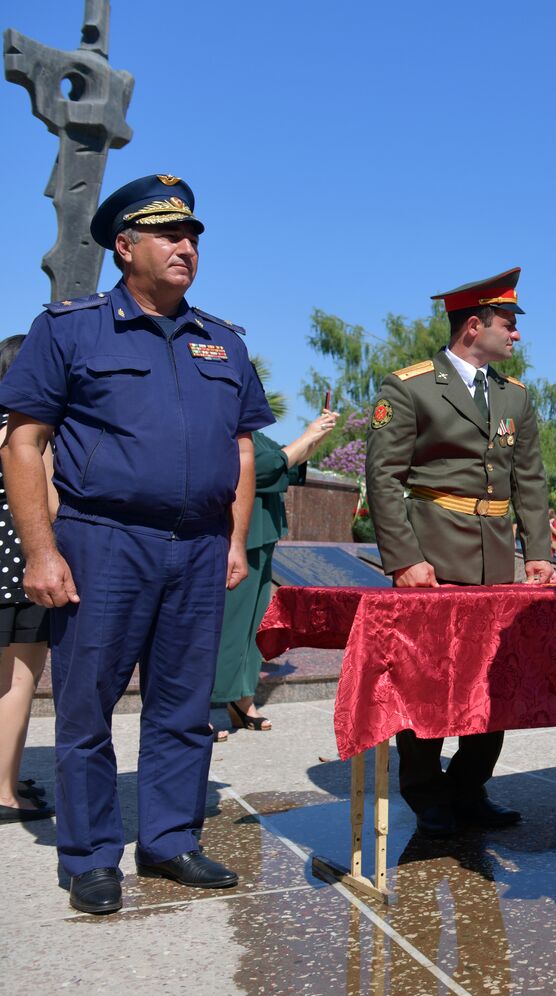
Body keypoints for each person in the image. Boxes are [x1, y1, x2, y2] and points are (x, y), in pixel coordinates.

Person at [0, 174, 274, 914]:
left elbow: (243, 450)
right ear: (125, 248)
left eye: (192, 237)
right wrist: (41, 549)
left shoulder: (224, 341)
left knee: (185, 707)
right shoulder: (70, 328)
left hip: (198, 546)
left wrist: (236, 540)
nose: (186, 247)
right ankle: (90, 855)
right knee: (87, 706)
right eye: (168, 235)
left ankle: (170, 840)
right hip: (102, 541)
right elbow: (24, 442)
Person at [365, 267, 556, 838]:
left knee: (488, 681)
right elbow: (383, 477)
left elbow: (531, 479)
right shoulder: (411, 386)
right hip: (433, 557)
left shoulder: (514, 397)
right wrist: (403, 559)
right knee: (428, 681)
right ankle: (427, 797)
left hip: (495, 561)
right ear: (474, 326)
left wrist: (538, 552)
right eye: (507, 324)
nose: (515, 334)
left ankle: (471, 788)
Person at [213, 414, 339, 731]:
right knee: (229, 626)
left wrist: (314, 439)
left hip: (261, 534)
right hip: (238, 538)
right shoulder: (227, 429)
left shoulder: (254, 434)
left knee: (253, 625)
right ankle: (207, 704)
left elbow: (288, 464)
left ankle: (242, 696)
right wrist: (308, 435)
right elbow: (272, 463)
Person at [0, 335, 59, 824]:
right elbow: (53, 506)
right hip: (18, 575)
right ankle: (4, 792)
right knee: (18, 683)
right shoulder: (27, 435)